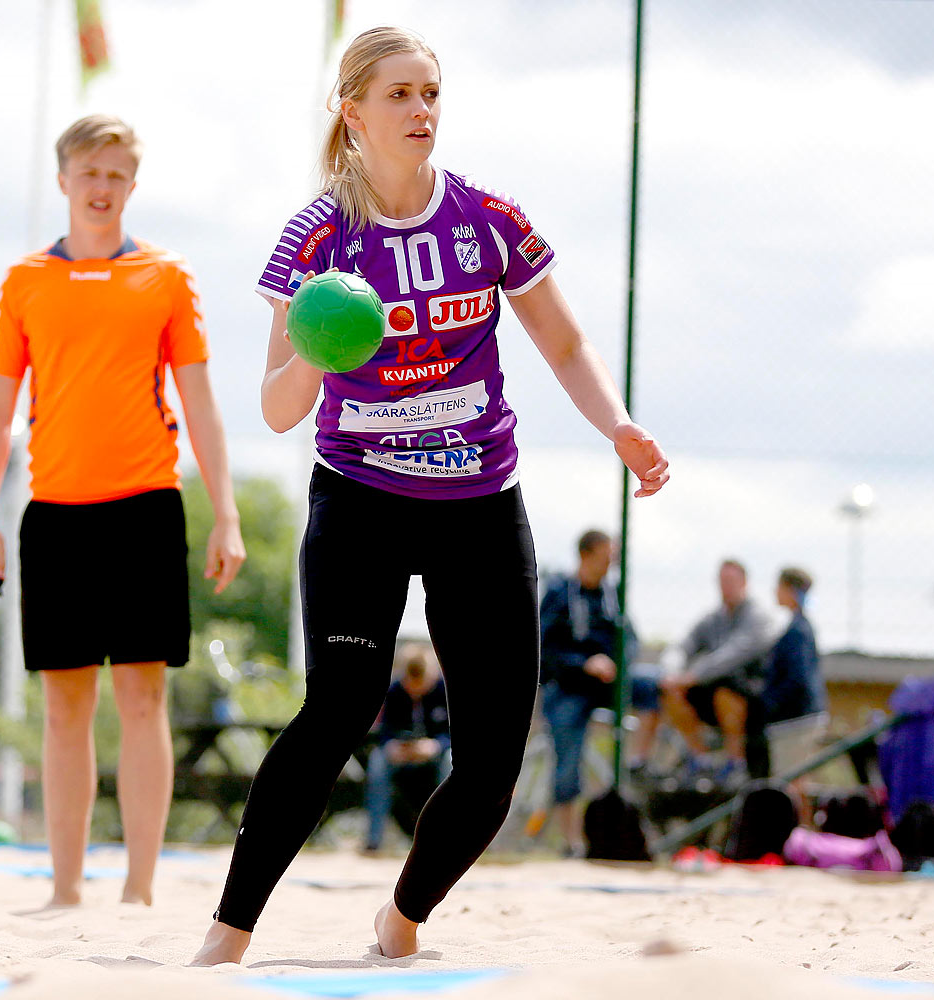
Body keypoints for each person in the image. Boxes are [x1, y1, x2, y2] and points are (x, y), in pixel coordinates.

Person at [191, 27, 668, 965]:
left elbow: (564, 347)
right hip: (361, 499)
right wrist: (326, 353)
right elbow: (278, 406)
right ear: (352, 110)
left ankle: (401, 918)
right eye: (400, 94)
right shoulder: (317, 237)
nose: (421, 111)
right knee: (337, 708)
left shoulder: (488, 217)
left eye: (431, 94)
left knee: (492, 761)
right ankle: (226, 935)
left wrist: (616, 425)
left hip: (480, 505)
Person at [0, 114, 246, 908]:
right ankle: (64, 889)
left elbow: (201, 404)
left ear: (133, 182)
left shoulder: (165, 276)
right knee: (63, 704)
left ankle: (139, 888)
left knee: (143, 695)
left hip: (146, 509)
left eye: (117, 174)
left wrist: (224, 512)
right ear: (63, 180)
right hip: (54, 513)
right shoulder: (25, 282)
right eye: (89, 173)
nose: (102, 188)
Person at [537, 529, 633, 856]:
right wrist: (583, 664)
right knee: (567, 763)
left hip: (608, 684)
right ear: (587, 555)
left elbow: (630, 638)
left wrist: (618, 662)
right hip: (568, 687)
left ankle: (643, 762)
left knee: (653, 687)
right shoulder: (559, 592)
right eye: (607, 556)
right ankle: (572, 841)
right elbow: (543, 649)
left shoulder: (612, 594)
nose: (611, 564)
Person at [660, 559, 772, 785]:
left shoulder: (758, 616)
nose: (725, 587)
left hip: (752, 698)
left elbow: (733, 653)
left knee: (726, 692)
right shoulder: (712, 620)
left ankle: (735, 761)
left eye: (731, 581)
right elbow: (683, 646)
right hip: (711, 692)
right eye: (722, 581)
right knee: (670, 692)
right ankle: (700, 759)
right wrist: (671, 672)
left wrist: (693, 675)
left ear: (744, 583)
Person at [363, 645, 450, 853]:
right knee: (378, 761)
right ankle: (374, 839)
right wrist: (391, 745)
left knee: (451, 761)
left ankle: (448, 835)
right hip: (402, 753)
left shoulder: (444, 691)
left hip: (435, 752)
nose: (416, 690)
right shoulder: (395, 692)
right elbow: (384, 731)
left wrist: (436, 745)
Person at [759, 567, 823, 727]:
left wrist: (769, 702)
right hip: (798, 717)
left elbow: (798, 677)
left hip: (797, 720)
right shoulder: (799, 626)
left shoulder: (798, 631)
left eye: (780, 586)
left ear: (790, 590)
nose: (775, 591)